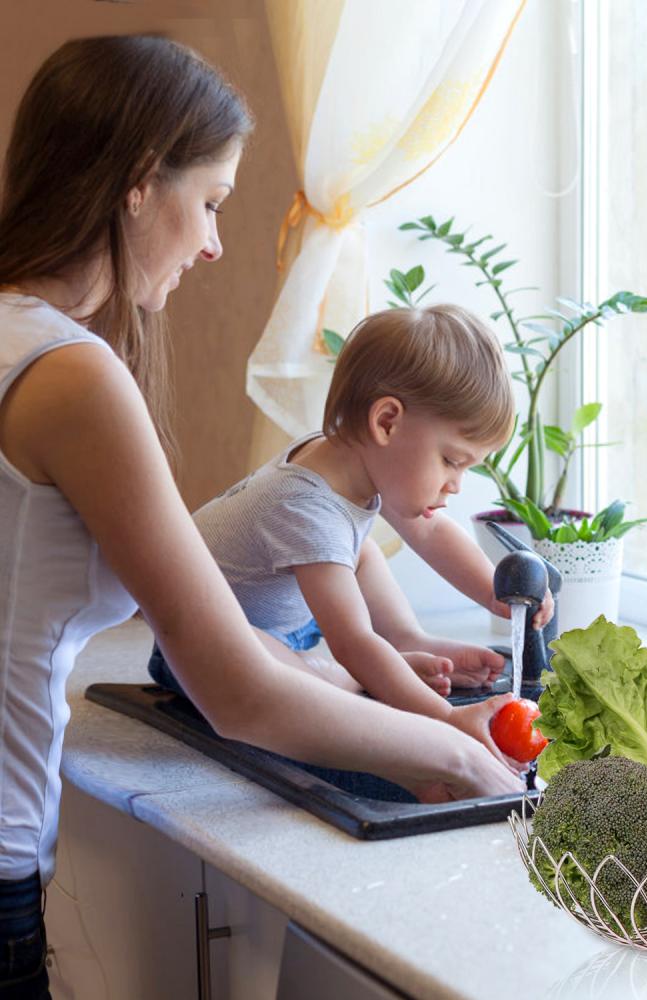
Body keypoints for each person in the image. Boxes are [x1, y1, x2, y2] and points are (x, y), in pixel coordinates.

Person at [0, 35, 520, 1000]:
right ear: (139, 183)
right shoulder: (70, 376)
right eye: (211, 203)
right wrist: (456, 746)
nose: (213, 242)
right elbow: (240, 689)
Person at [146, 305, 554, 745]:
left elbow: (431, 530)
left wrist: (500, 596)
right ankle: (350, 677)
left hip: (287, 623)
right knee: (313, 686)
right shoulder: (309, 509)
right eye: (451, 461)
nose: (456, 484)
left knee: (360, 551)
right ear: (386, 422)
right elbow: (354, 642)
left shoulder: (358, 459)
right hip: (199, 651)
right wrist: (445, 719)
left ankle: (403, 641)